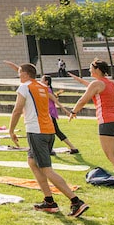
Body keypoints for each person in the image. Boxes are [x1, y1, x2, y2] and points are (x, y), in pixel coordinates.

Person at [7, 63, 89, 217]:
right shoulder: (42, 87)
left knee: (46, 169)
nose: (18, 76)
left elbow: (17, 109)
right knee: (32, 162)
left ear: (25, 74)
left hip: (36, 131)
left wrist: (11, 130)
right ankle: (49, 201)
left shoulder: (25, 87)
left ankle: (76, 201)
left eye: (19, 73)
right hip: (48, 130)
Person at [68, 60, 114, 202]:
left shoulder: (97, 84)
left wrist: (73, 111)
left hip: (107, 121)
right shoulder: (110, 83)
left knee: (112, 156)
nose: (89, 70)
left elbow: (83, 99)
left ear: (97, 69)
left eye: (90, 68)